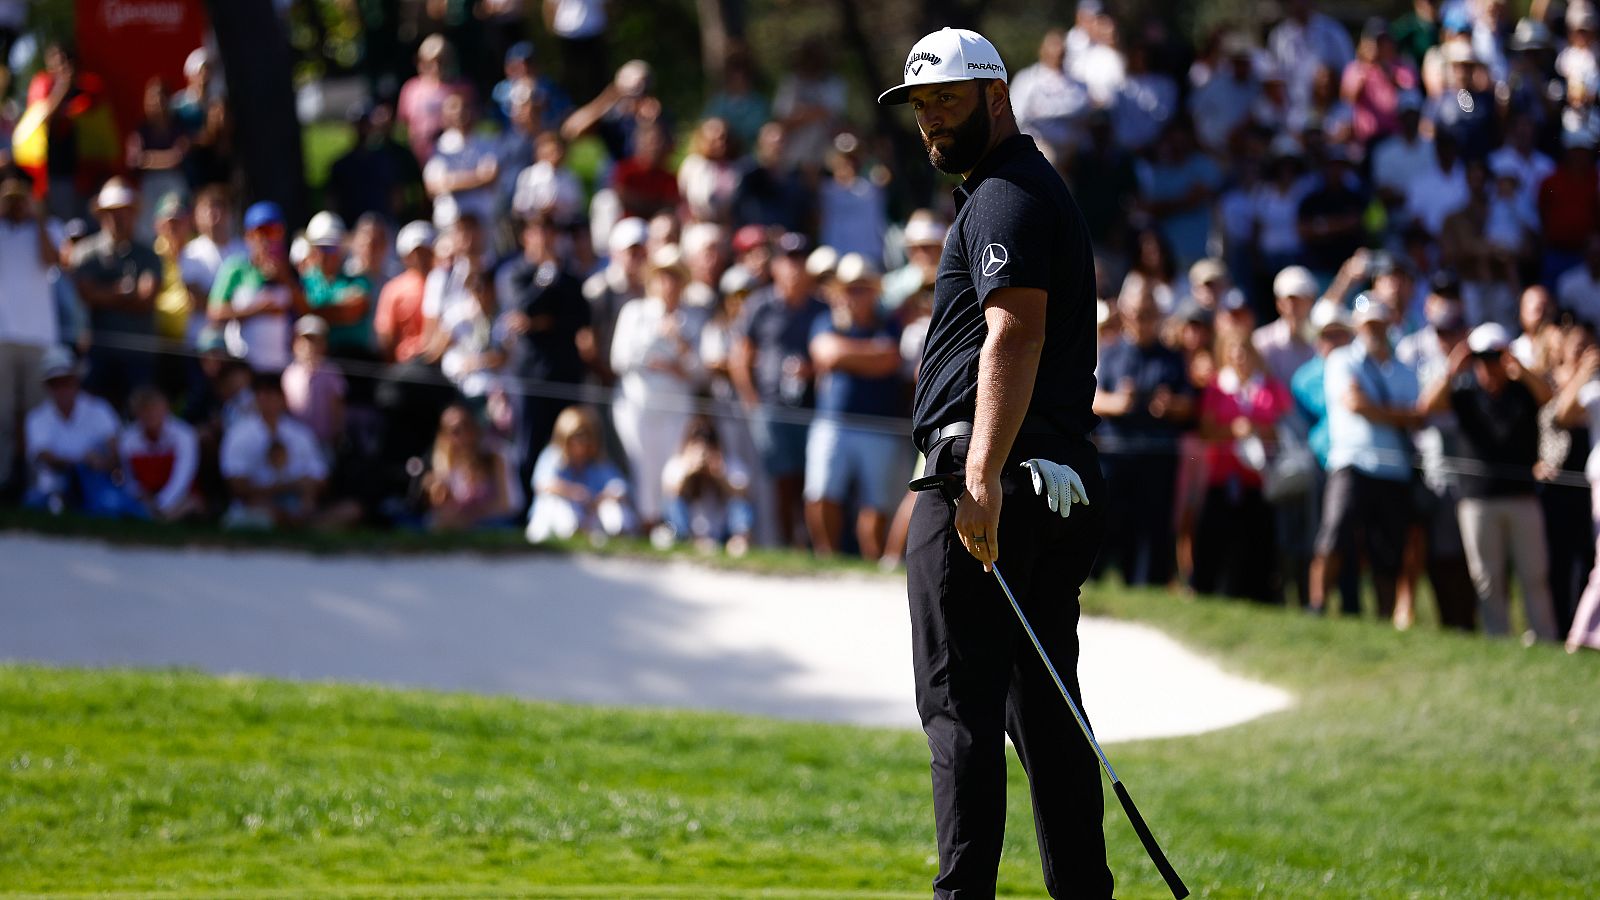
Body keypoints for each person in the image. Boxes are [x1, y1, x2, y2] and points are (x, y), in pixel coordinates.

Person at [880, 28, 1114, 897]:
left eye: (948, 98)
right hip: (1048, 487)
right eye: (921, 105)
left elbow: (1014, 329)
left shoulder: (1005, 193)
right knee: (1047, 715)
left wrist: (977, 476)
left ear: (997, 96)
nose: (933, 119)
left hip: (987, 485)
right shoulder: (1019, 188)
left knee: (958, 713)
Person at [1420, 323, 1558, 640]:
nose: (1488, 366)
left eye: (1494, 357)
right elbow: (1428, 406)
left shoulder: (1522, 390)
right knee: (1487, 577)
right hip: (1477, 500)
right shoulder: (1464, 392)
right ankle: (1498, 637)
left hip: (1522, 497)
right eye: (1481, 359)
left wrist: (1518, 366)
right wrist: (1453, 367)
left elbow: (1546, 395)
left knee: (1534, 574)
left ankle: (1544, 637)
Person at [1311, 295, 1422, 619]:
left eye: (1378, 323)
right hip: (1351, 462)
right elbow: (1355, 405)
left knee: (1388, 552)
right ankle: (1316, 607)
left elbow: (1416, 417)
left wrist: (1377, 410)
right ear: (1358, 326)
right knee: (1333, 536)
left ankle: (1384, 618)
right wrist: (1397, 414)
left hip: (1393, 471)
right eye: (1368, 324)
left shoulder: (1403, 370)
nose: (1373, 330)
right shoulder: (1342, 359)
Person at [730, 232, 828, 547]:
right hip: (770, 406)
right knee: (780, 479)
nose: (794, 268)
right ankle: (784, 543)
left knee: (807, 481)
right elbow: (740, 355)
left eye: (800, 260)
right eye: (788, 260)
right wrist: (752, 401)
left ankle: (805, 545)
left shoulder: (820, 308)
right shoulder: (760, 305)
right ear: (775, 265)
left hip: (811, 406)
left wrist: (810, 370)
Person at [804, 254, 905, 559]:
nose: (855, 294)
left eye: (862, 287)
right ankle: (827, 556)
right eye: (850, 288)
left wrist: (848, 356)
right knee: (822, 493)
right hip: (833, 421)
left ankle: (870, 559)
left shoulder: (889, 325)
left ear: (874, 290)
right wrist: (869, 355)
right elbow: (826, 354)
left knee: (875, 503)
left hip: (878, 425)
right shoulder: (825, 321)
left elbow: (888, 360)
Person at [1093, 285, 1194, 587]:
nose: (1143, 319)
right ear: (1125, 313)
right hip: (1114, 455)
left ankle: (1148, 585)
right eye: (1138, 313)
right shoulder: (1109, 352)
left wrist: (1170, 406)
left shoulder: (1172, 357)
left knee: (1153, 527)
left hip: (1156, 457)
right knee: (1109, 524)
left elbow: (1189, 404)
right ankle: (1097, 582)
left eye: (1149, 314)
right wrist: (1119, 403)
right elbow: (1091, 398)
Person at [608, 245, 706, 527]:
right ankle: (645, 525)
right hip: (638, 406)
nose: (669, 284)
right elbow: (620, 359)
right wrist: (657, 354)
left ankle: (671, 525)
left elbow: (700, 372)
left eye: (675, 277)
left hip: (676, 410)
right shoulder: (635, 312)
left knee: (672, 469)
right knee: (643, 470)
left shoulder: (693, 317)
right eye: (663, 276)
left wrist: (679, 345)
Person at [73, 178, 160, 410]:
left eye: (125, 212)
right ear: (101, 215)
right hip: (99, 353)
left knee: (139, 412)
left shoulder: (148, 254)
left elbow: (146, 300)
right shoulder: (85, 253)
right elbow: (85, 294)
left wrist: (104, 296)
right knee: (93, 411)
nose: (119, 218)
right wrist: (124, 293)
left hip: (138, 354)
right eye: (112, 212)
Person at [0, 174, 60, 496]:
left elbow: (52, 260)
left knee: (38, 418)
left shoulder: (50, 228)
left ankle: (40, 486)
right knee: (2, 416)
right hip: (2, 338)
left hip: (38, 339)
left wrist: (36, 219)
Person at [22, 346, 122, 513]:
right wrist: (84, 461)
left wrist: (101, 463)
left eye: (66, 381)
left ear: (76, 381)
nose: (62, 388)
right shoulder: (37, 418)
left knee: (110, 503)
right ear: (48, 387)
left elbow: (116, 451)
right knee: (34, 503)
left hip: (96, 483)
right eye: (56, 383)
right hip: (53, 488)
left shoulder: (99, 409)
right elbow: (44, 456)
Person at [208, 201, 302, 374]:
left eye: (273, 231)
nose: (267, 239)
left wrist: (285, 279)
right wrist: (257, 310)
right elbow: (215, 312)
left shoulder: (291, 270)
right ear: (248, 235)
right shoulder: (236, 268)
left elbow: (305, 309)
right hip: (243, 367)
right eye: (260, 232)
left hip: (281, 369)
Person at [525, 404, 635, 543]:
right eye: (577, 436)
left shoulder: (598, 462)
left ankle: (617, 541)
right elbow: (542, 484)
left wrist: (601, 498)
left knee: (612, 510)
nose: (582, 442)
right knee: (555, 505)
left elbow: (620, 487)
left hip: (590, 517)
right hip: (560, 515)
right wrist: (572, 492)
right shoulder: (553, 456)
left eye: (586, 436)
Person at [659, 415, 754, 555]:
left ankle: (738, 541)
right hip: (691, 529)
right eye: (696, 437)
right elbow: (670, 494)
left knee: (740, 502)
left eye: (709, 438)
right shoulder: (677, 463)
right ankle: (687, 541)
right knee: (672, 501)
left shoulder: (729, 464)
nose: (703, 445)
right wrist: (690, 472)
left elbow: (744, 494)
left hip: (721, 529)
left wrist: (719, 475)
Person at [423, 404, 516, 531]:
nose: (463, 434)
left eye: (466, 426)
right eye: (454, 430)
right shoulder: (444, 460)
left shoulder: (494, 456)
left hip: (493, 522)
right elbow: (440, 507)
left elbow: (507, 506)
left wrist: (473, 512)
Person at [118, 385, 201, 521]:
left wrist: (161, 503)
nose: (151, 415)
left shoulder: (184, 435)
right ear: (136, 413)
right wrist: (142, 497)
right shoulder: (128, 440)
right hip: (146, 497)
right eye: (145, 410)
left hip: (178, 496)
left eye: (155, 409)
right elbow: (130, 479)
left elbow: (182, 478)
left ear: (166, 409)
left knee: (191, 504)